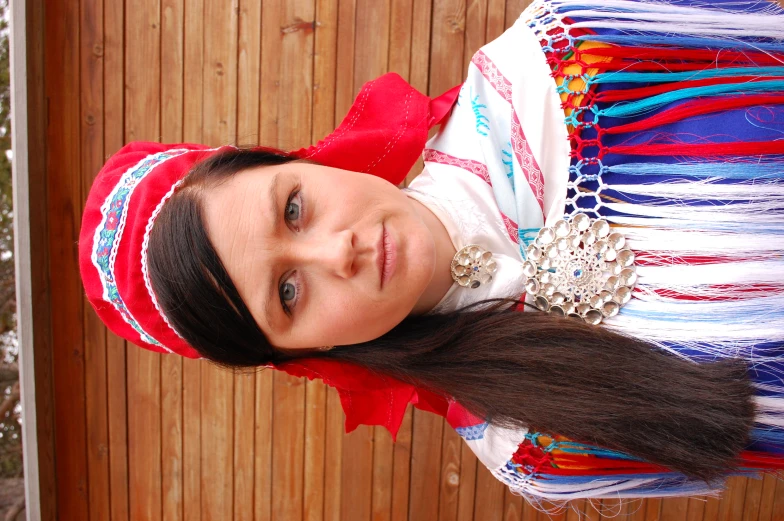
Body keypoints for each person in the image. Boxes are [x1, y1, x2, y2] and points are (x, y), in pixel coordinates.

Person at [79, 0, 784, 502]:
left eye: (294, 208)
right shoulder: (532, 442)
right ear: (301, 355)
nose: (338, 252)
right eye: (288, 293)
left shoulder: (558, 61)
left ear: (302, 159)